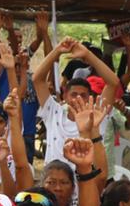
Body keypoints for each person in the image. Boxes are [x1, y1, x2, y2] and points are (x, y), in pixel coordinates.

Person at [31, 37, 119, 169]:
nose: (78, 98)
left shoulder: (96, 117)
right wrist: (58, 51)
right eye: (73, 94)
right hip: (52, 183)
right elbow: (37, 79)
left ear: (90, 97)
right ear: (65, 96)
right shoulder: (54, 112)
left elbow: (113, 83)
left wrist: (88, 55)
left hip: (85, 182)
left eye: (83, 95)